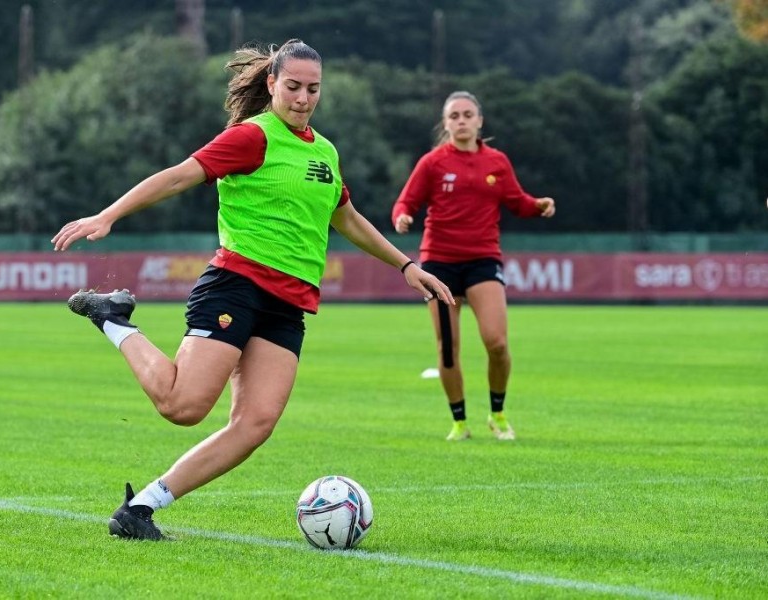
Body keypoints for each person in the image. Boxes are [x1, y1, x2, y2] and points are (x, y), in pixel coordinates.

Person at [51, 39, 454, 541]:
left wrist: (405, 265)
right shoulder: (253, 137)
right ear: (271, 85)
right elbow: (179, 177)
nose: (303, 98)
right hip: (236, 287)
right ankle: (113, 318)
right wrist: (108, 215)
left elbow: (344, 216)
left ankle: (140, 508)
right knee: (183, 407)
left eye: (313, 89)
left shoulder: (325, 151)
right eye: (293, 87)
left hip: (288, 306)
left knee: (255, 424)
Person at [391, 90, 555, 443]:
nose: (461, 121)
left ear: (479, 120)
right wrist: (402, 216)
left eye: (467, 114)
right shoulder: (433, 162)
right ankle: (460, 422)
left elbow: (517, 201)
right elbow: (407, 200)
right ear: (446, 123)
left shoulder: (496, 161)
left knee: (496, 342)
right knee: (447, 349)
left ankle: (497, 414)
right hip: (439, 263)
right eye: (454, 116)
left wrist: (538, 205)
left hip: (483, 259)